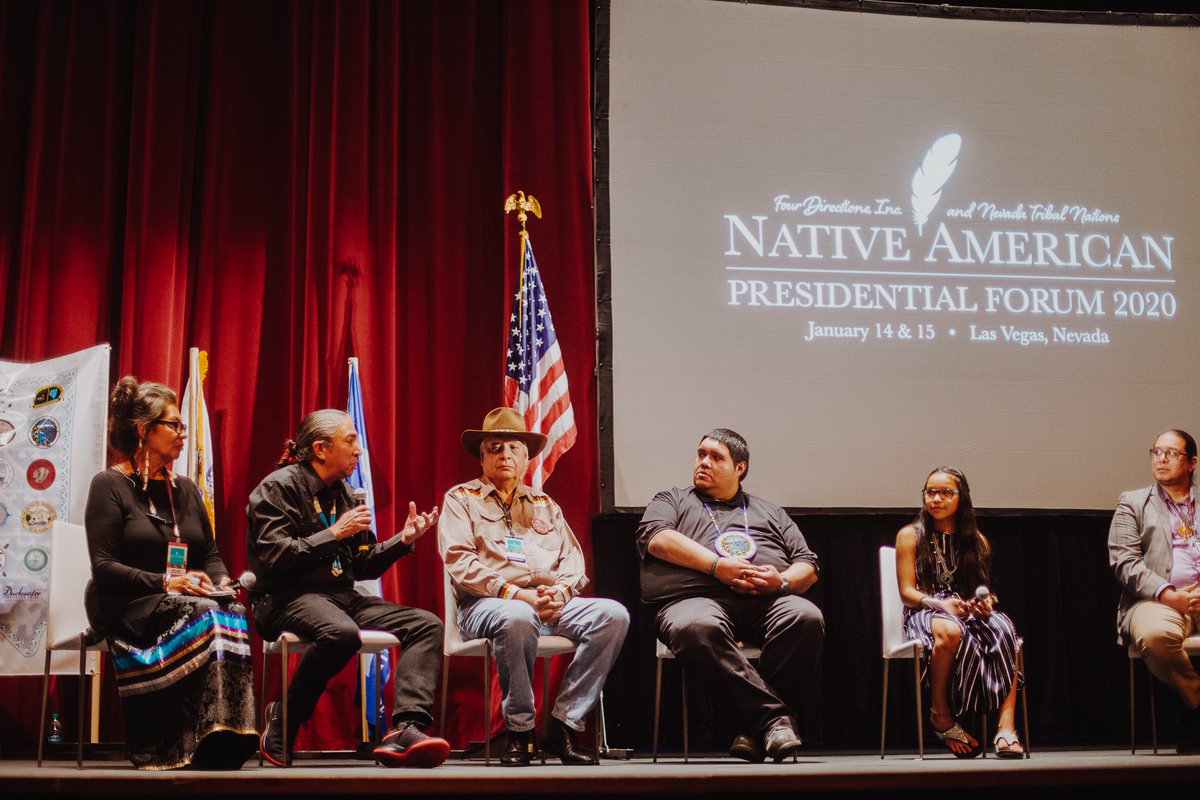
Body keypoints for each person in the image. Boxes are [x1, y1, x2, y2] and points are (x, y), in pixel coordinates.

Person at [245, 409, 449, 768]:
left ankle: (405, 728)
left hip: (340, 595)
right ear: (321, 448)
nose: (359, 450)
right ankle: (286, 719)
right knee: (341, 634)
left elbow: (363, 563)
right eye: (350, 440)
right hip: (283, 595)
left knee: (426, 624)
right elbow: (276, 558)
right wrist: (333, 533)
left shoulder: (343, 492)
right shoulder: (277, 488)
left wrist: (403, 540)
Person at [439, 407, 630, 766]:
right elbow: (460, 562)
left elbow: (573, 561)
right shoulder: (461, 499)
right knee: (517, 616)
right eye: (494, 448)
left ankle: (564, 724)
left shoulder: (544, 504)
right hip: (487, 604)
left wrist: (560, 593)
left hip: (547, 602)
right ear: (482, 457)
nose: (504, 455)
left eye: (513, 448)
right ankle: (520, 731)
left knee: (613, 615)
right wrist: (517, 594)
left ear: (527, 457)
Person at [84, 377, 258, 770]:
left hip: (178, 596)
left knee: (229, 610)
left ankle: (221, 735)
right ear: (144, 431)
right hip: (124, 600)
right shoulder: (109, 485)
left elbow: (210, 554)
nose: (183, 433)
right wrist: (167, 582)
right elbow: (105, 566)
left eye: (182, 425)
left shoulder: (187, 490)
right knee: (198, 614)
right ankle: (171, 740)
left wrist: (221, 584)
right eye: (174, 425)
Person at [637, 428, 823, 763]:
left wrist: (779, 582)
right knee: (695, 627)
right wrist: (717, 566)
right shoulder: (672, 500)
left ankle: (752, 731)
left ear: (740, 467)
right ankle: (773, 721)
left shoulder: (770, 512)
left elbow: (807, 564)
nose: (703, 462)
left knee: (805, 616)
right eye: (700, 454)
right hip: (694, 599)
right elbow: (657, 538)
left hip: (766, 601)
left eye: (716, 457)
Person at [895, 466, 1023, 759]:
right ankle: (940, 713)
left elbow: (982, 589)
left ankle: (1006, 727)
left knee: (1005, 628)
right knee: (951, 630)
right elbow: (907, 592)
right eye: (930, 492)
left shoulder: (976, 540)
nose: (936, 499)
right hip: (925, 609)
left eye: (945, 493)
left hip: (963, 609)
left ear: (961, 497)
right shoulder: (909, 535)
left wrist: (984, 603)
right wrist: (940, 605)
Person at [1109, 429, 1200, 755]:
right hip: (1155, 600)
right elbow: (1124, 562)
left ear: (1192, 462)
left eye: (1171, 453)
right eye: (1157, 452)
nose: (1161, 458)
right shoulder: (1133, 502)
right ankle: (1196, 704)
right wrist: (1166, 592)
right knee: (1154, 635)